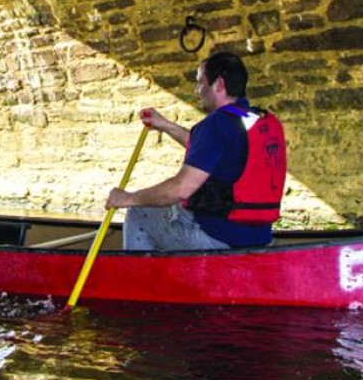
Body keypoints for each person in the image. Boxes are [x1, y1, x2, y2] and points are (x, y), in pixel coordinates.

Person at [106, 50, 286, 251]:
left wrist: (127, 198)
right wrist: (165, 125)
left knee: (139, 213)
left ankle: (139, 280)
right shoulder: (254, 120)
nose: (196, 90)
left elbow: (180, 189)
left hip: (219, 238)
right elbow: (207, 150)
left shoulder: (215, 125)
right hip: (260, 235)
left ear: (218, 85)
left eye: (200, 82)